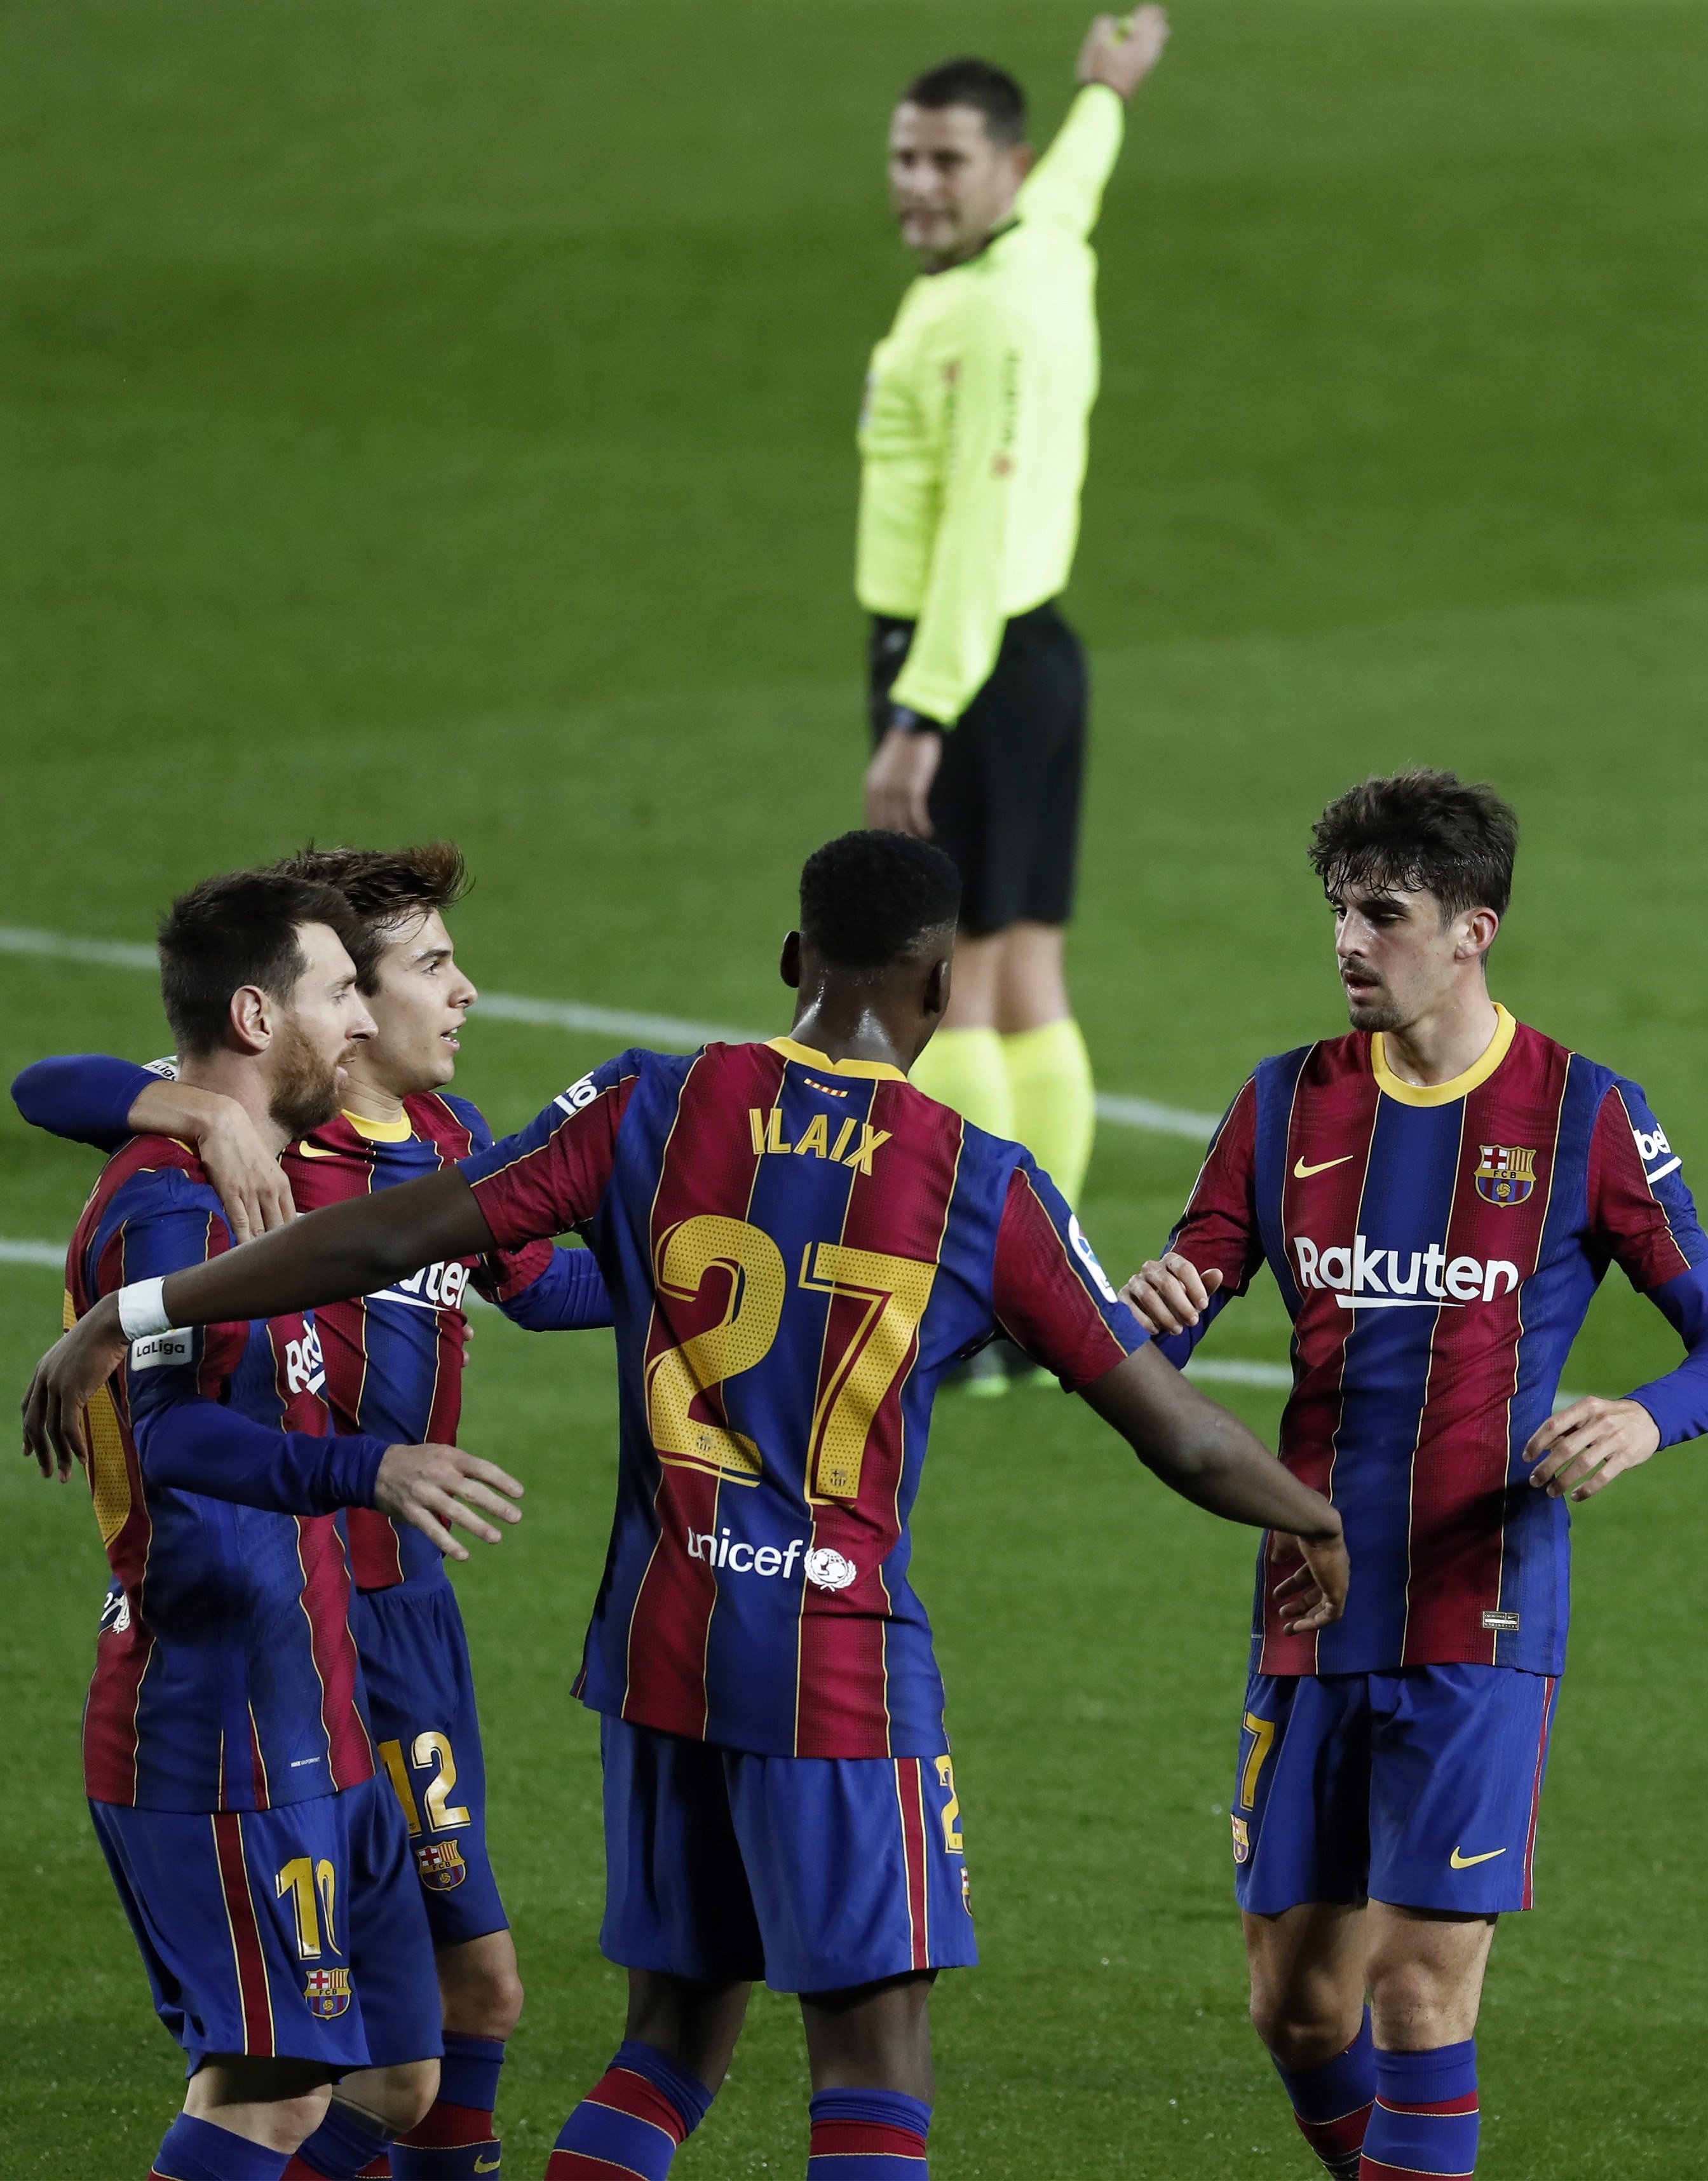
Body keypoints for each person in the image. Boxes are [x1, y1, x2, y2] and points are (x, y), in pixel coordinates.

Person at [27, 831, 1350, 2181]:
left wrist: (138, 1311)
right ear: (942, 989)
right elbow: (1177, 1439)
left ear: (792, 961)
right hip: (836, 1665)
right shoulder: (973, 1177)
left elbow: (394, 1232)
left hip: (661, 1647)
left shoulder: (652, 1103)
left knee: (664, 2041)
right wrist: (1313, 1516)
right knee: (876, 2060)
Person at [1119, 771, 1708, 2181]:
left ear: (1473, 932)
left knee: (1420, 1991)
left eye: (1384, 914)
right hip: (1309, 1606)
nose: (1347, 942)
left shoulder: (1584, 1114)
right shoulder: (1284, 1105)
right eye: (1338, 909)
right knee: (1300, 2007)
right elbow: (1188, 1288)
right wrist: (1139, 1310)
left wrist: (1651, 1417)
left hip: (1478, 1620)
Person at [13, 842, 615, 2181]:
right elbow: (173, 1431)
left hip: (329, 1659)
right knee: (277, 2092)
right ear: (264, 1016)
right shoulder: (196, 1190)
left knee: (407, 2067)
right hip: (226, 1696)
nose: (369, 1018)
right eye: (359, 986)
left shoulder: (407, 1154)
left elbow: (526, 1281)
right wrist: (184, 1112)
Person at [858, 8, 1170, 1246]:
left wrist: (917, 715)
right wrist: (1108, 90)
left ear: (1006, 171)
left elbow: (974, 534)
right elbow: (1082, 174)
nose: (920, 186)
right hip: (1039, 656)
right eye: (905, 158)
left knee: (955, 987)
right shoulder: (1045, 242)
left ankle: (991, 1285)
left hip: (962, 663)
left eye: (947, 164)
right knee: (1030, 968)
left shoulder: (982, 315)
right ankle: (1055, 1286)